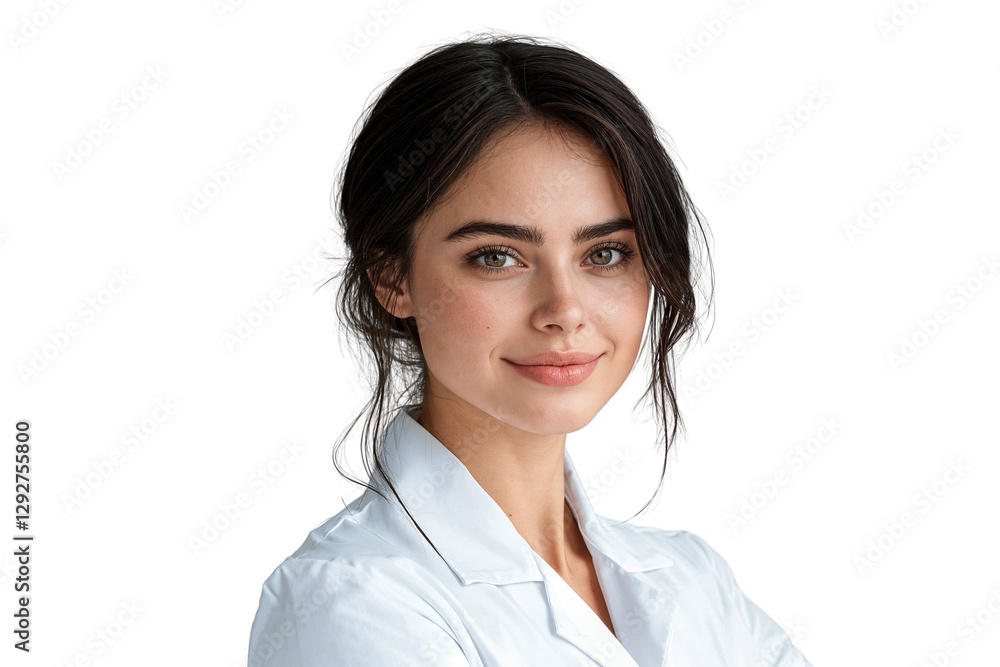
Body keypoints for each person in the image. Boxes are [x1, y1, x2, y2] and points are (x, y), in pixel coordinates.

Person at [247, 33, 814, 666]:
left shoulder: (695, 581)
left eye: (605, 254)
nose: (565, 311)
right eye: (497, 257)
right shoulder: (350, 606)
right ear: (392, 277)